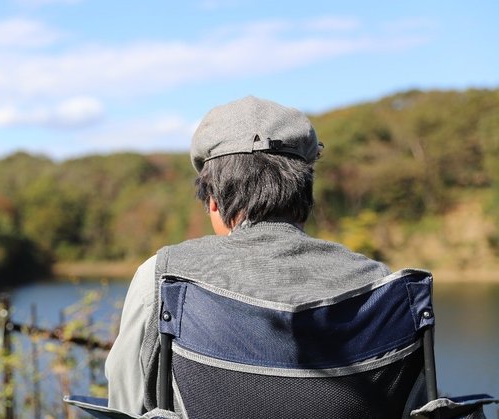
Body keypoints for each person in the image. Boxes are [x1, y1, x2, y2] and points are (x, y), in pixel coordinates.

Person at [104, 96, 392, 414]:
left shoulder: (164, 275)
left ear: (213, 200)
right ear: (305, 193)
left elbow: (126, 404)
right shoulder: (379, 285)